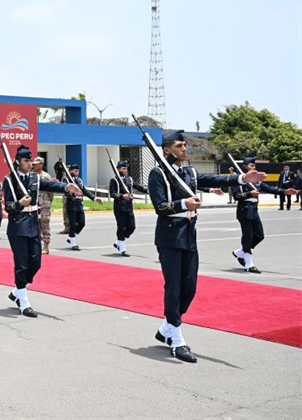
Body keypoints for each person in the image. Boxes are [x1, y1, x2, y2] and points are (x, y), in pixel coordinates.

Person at [149, 130, 265, 363]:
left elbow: (214, 180)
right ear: (166, 150)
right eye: (180, 145)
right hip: (170, 236)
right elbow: (159, 206)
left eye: (185, 145)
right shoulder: (158, 173)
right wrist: (183, 203)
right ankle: (177, 340)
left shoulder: (189, 172)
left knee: (189, 287)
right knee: (173, 287)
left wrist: (242, 179)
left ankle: (166, 328)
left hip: (189, 235)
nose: (184, 148)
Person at [4, 145, 80, 317]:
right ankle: (23, 301)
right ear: (17, 162)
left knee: (36, 262)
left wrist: (67, 187)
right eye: (26, 160)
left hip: (32, 224)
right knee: (21, 265)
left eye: (31, 160)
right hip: (18, 226)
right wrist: (19, 204)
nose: (30, 163)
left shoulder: (35, 179)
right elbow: (8, 206)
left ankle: (17, 291)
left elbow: (50, 185)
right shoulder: (10, 179)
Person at [232, 157, 297, 273]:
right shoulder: (239, 179)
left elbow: (269, 188)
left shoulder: (256, 180)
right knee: (248, 236)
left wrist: (285, 191)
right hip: (244, 210)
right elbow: (236, 196)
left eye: (254, 165)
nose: (254, 167)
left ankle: (240, 252)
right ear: (245, 166)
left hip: (254, 210)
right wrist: (249, 194)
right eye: (251, 165)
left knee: (260, 235)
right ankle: (248, 263)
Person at [109, 160, 148, 257]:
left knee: (132, 226)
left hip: (129, 207)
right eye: (123, 168)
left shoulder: (129, 179)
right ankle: (122, 248)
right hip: (119, 207)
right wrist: (122, 196)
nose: (125, 170)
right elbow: (112, 193)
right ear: (118, 169)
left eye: (126, 168)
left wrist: (148, 190)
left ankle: (119, 241)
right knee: (121, 227)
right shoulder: (114, 180)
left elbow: (137, 186)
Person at [62, 163, 103, 250]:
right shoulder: (66, 179)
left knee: (82, 223)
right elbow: (65, 191)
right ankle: (73, 242)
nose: (77, 172)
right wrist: (73, 192)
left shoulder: (79, 180)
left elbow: (84, 190)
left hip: (79, 204)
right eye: (75, 171)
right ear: (70, 171)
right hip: (71, 203)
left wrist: (94, 198)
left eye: (78, 171)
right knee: (72, 224)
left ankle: (71, 237)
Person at [32, 157, 54, 253]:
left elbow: (51, 191)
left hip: (44, 203)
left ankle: (46, 245)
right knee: (35, 224)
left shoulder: (46, 176)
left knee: (44, 223)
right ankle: (37, 244)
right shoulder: (31, 175)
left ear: (41, 164)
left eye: (36, 164)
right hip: (34, 203)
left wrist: (48, 202)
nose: (34, 165)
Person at [54, 161, 70, 234]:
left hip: (71, 197)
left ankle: (70, 227)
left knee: (69, 212)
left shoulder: (72, 178)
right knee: (66, 212)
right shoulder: (65, 178)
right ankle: (67, 227)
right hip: (66, 196)